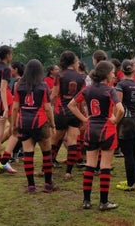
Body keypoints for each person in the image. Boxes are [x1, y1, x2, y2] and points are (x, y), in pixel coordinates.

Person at [68, 61, 123, 211]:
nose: (114, 75)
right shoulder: (110, 90)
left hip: (91, 129)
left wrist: (85, 119)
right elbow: (121, 109)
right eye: (112, 72)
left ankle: (86, 200)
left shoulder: (88, 89)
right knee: (105, 166)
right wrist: (115, 120)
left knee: (90, 165)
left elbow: (71, 105)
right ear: (106, 74)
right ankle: (103, 202)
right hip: (107, 130)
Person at [11, 59, 58, 194]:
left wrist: (14, 125)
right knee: (46, 154)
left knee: (28, 154)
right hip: (40, 123)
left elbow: (15, 108)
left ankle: (31, 186)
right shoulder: (43, 87)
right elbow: (48, 108)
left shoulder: (18, 86)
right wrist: (53, 124)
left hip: (24, 123)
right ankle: (48, 184)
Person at [50, 51, 86, 179]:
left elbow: (54, 94)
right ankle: (68, 172)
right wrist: (82, 114)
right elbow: (81, 99)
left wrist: (48, 107)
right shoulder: (81, 78)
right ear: (73, 62)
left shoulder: (60, 75)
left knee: (55, 139)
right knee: (72, 140)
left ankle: (46, 167)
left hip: (61, 111)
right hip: (74, 112)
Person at [114, 59, 135, 191]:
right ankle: (134, 181)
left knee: (128, 154)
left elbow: (118, 105)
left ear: (121, 70)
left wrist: (115, 120)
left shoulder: (120, 85)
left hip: (126, 121)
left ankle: (130, 183)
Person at [0, 45, 17, 174]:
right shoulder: (5, 69)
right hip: (4, 99)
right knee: (16, 130)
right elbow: (3, 88)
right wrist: (6, 108)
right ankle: (4, 162)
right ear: (7, 55)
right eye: (10, 53)